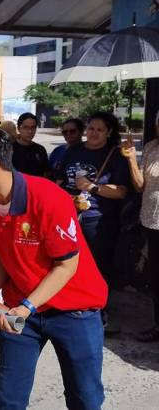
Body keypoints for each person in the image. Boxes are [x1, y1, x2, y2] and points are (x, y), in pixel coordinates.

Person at [0, 125, 107, 409]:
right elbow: (2, 255)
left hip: (75, 311)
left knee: (84, 398)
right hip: (21, 311)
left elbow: (65, 267)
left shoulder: (49, 198)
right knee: (9, 400)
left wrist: (26, 307)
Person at [58, 112, 128, 328]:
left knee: (98, 266)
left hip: (98, 220)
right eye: (90, 128)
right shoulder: (74, 151)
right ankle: (72, 305)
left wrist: (91, 187)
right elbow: (60, 179)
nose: (93, 133)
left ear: (108, 133)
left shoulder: (115, 155)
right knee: (68, 262)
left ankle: (98, 311)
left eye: (99, 129)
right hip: (69, 216)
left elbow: (122, 192)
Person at [122, 113, 159, 342]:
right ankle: (157, 324)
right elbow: (139, 186)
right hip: (150, 220)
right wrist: (130, 159)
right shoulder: (151, 147)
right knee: (156, 277)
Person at [12, 112, 50, 177]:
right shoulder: (9, 149)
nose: (30, 131)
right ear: (18, 128)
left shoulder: (40, 150)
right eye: (25, 127)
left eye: (33, 127)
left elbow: (46, 173)